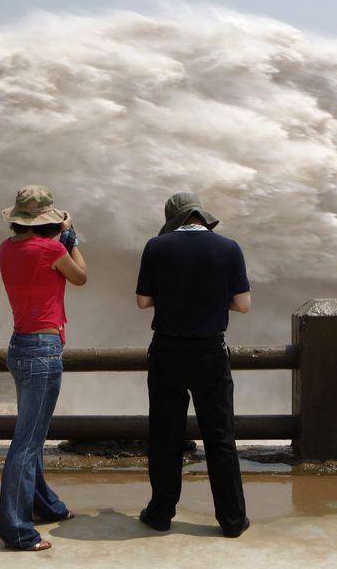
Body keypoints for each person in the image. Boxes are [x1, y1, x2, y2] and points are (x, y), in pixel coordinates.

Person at [135, 191, 252, 538]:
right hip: (210, 351)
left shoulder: (156, 247)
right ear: (201, 216)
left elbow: (143, 301)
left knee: (165, 434)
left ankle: (160, 513)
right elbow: (243, 305)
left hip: (168, 349)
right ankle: (232, 519)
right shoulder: (229, 248)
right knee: (220, 437)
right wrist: (213, 302)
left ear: (174, 219)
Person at [0, 184, 87, 551]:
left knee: (30, 435)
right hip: (43, 349)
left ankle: (46, 505)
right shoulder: (51, 248)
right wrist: (71, 238)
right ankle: (17, 530)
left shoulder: (6, 248)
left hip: (19, 345)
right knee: (27, 443)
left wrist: (59, 235)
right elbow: (80, 276)